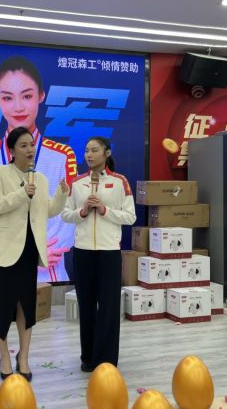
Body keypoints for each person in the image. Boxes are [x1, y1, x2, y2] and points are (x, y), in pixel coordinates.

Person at [0, 55, 77, 283]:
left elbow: (68, 218)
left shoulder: (62, 156)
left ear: (41, 96)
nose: (18, 107)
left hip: (48, 273)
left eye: (27, 96)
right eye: (7, 97)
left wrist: (35, 254)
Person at [0, 126, 68, 381]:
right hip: (2, 252)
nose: (30, 149)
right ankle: (4, 357)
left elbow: (48, 210)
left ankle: (24, 357)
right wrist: (22, 193)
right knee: (2, 308)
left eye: (31, 145)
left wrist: (62, 194)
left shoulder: (40, 179)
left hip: (28, 252)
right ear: (12, 150)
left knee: (25, 307)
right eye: (23, 145)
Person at [61, 136, 136, 372]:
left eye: (94, 150)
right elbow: (65, 214)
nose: (89, 155)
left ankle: (106, 360)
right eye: (86, 150)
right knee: (86, 306)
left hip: (109, 252)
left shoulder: (120, 181)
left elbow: (130, 216)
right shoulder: (77, 183)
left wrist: (104, 210)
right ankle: (88, 357)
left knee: (109, 308)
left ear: (107, 153)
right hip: (83, 252)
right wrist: (83, 211)